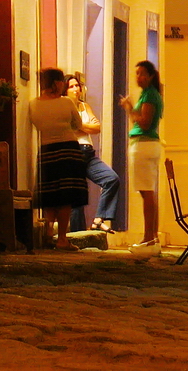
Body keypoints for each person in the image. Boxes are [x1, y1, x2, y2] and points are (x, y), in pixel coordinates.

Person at [29, 67, 87, 251]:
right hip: (67, 149)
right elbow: (77, 124)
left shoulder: (33, 104)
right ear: (56, 83)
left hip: (46, 150)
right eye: (61, 80)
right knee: (65, 196)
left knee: (50, 194)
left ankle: (47, 233)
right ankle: (62, 238)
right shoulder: (67, 103)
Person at [120, 60, 164, 256]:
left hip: (144, 144)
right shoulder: (151, 94)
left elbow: (145, 122)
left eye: (142, 74)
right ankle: (151, 236)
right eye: (136, 73)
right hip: (147, 145)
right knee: (148, 191)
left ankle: (149, 237)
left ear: (151, 76)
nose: (138, 77)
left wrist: (130, 108)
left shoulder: (149, 95)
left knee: (147, 192)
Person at [66, 73, 119, 233]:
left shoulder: (84, 106)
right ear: (65, 90)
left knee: (111, 179)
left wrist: (80, 125)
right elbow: (70, 127)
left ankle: (99, 218)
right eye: (71, 86)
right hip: (73, 153)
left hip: (88, 153)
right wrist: (86, 124)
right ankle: (77, 236)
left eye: (77, 85)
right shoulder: (64, 107)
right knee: (77, 198)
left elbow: (97, 128)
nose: (76, 89)